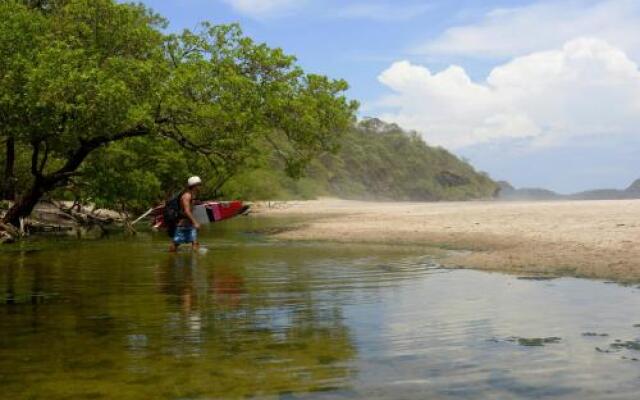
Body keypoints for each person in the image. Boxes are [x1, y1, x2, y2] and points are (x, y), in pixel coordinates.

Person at [169, 176, 202, 252]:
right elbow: (187, 211)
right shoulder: (187, 196)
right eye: (199, 184)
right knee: (176, 243)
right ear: (194, 185)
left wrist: (197, 203)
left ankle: (195, 261)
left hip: (189, 225)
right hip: (182, 225)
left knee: (195, 243)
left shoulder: (192, 195)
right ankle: (170, 258)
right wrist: (195, 222)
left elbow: (190, 207)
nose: (200, 186)